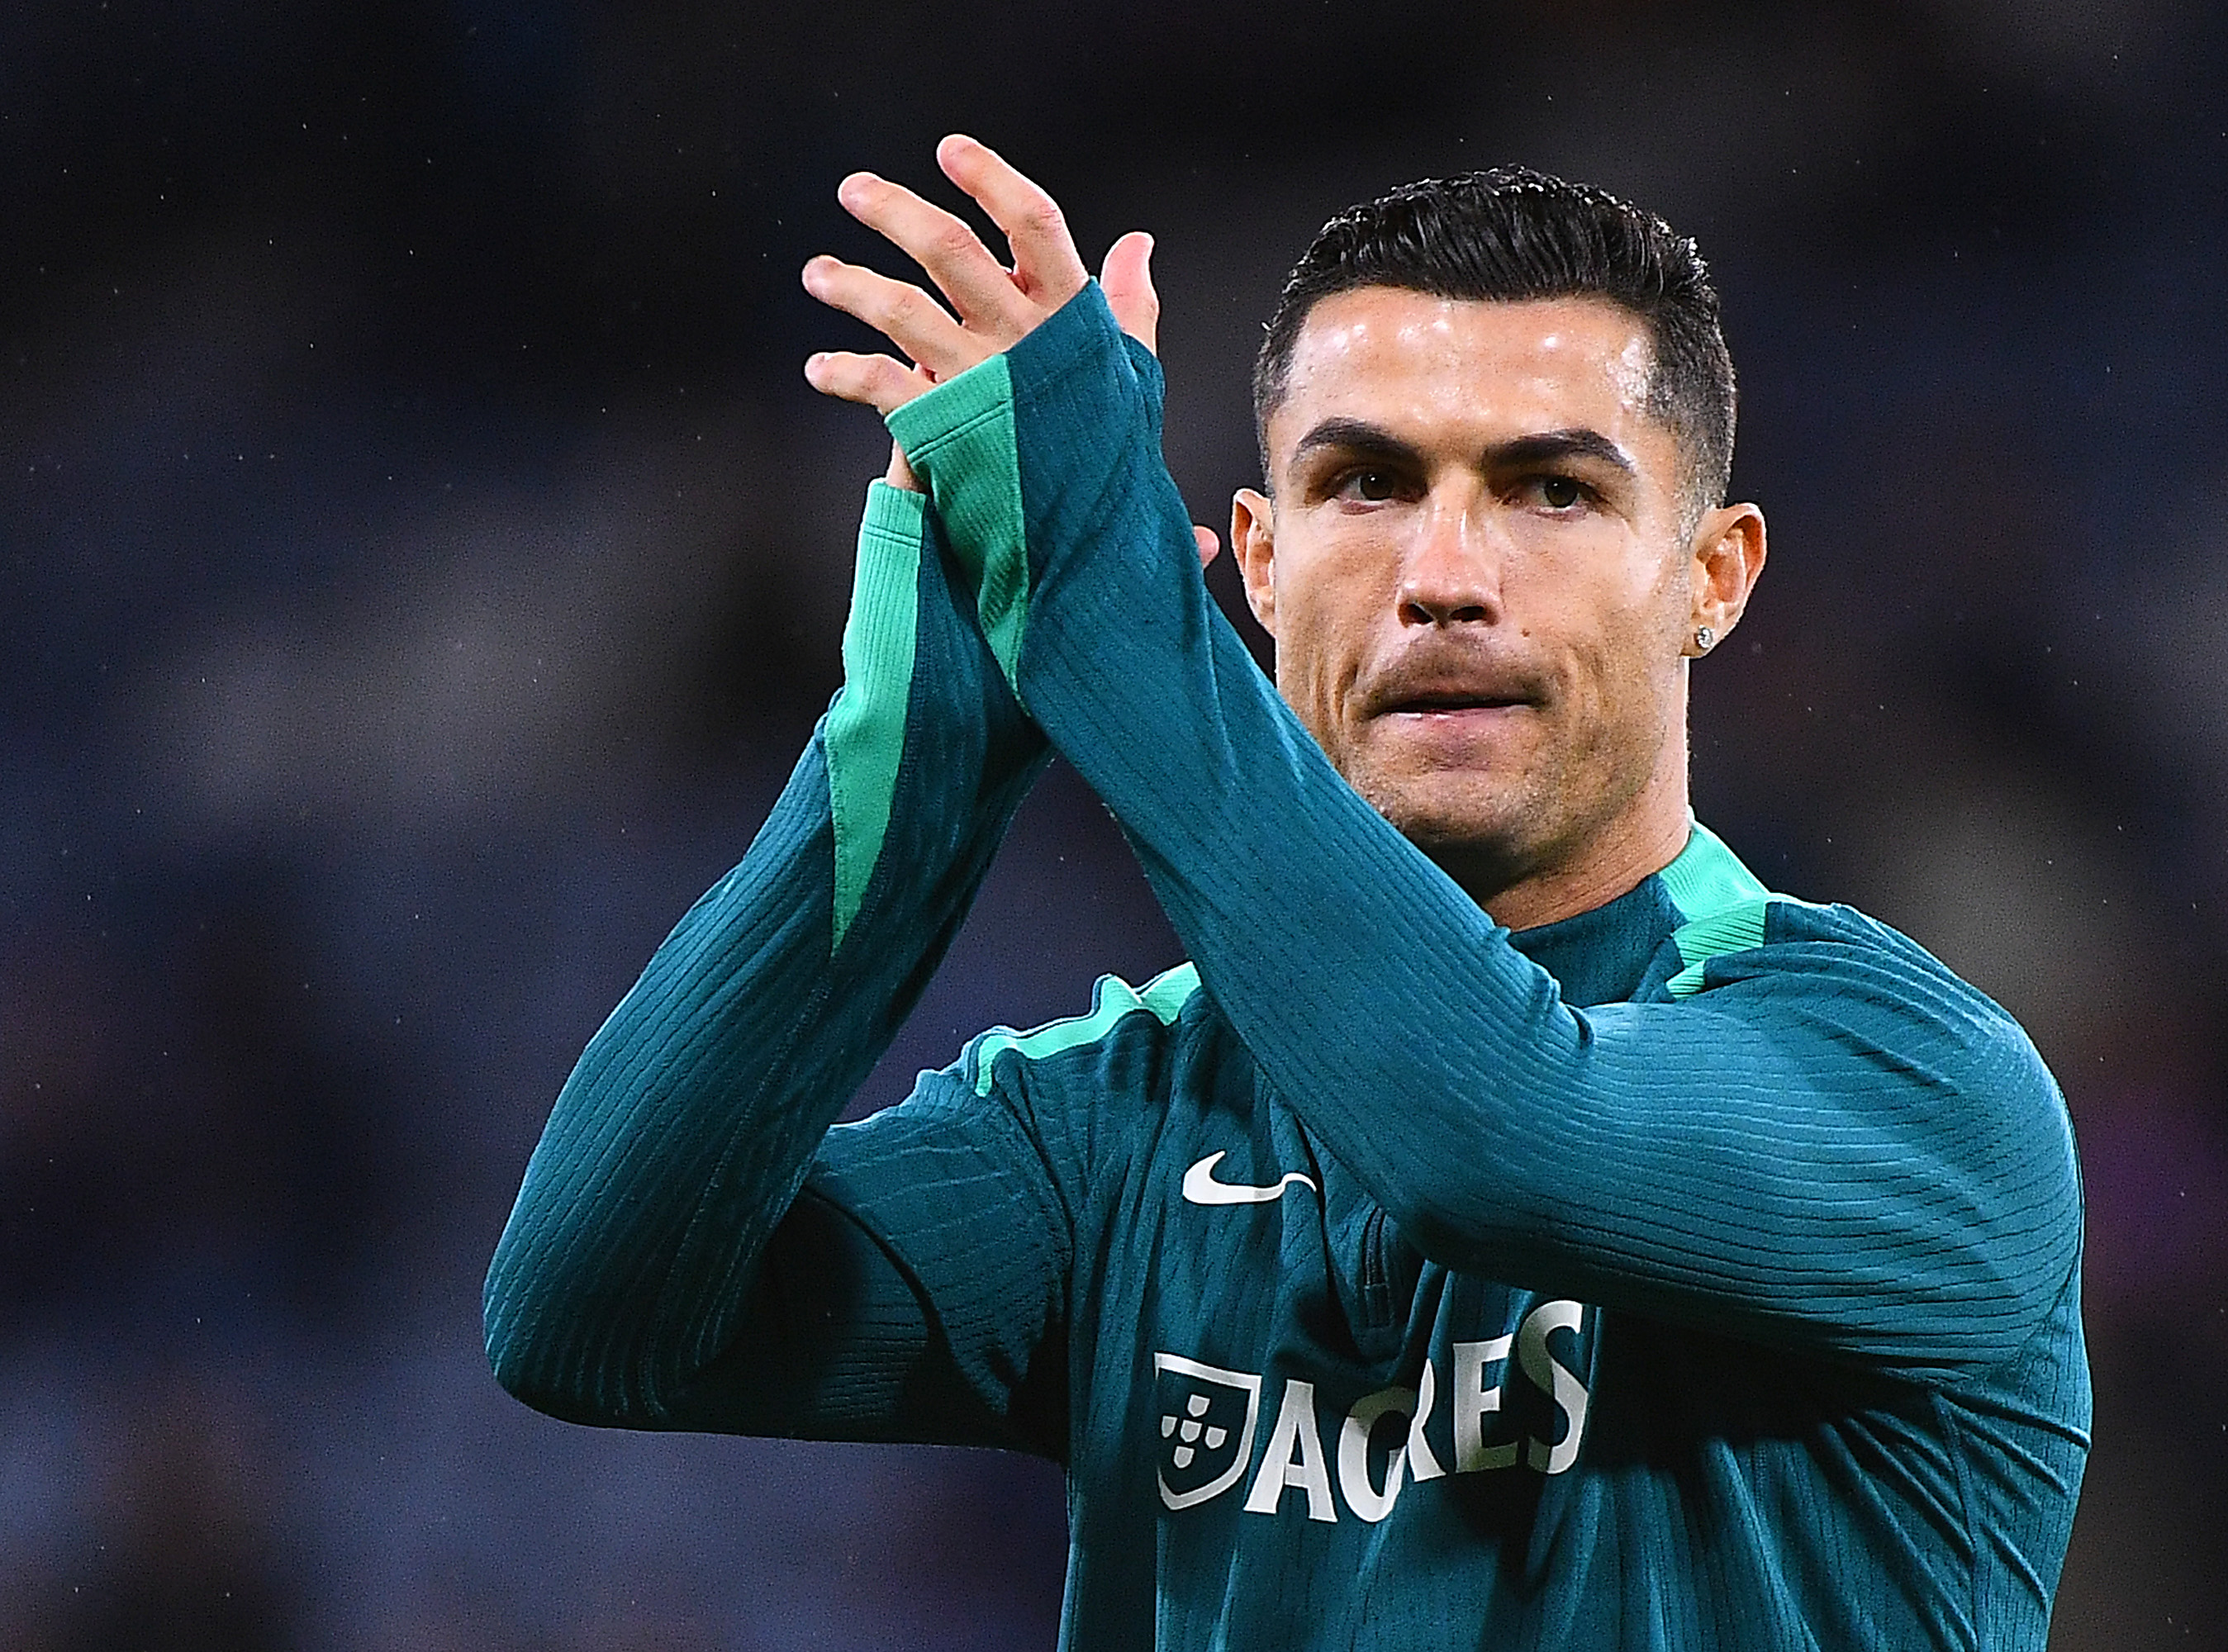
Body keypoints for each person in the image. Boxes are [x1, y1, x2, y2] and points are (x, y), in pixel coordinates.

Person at [485, 135, 2088, 1650]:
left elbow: (1492, 1135)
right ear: (1256, 562)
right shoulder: (1123, 1124)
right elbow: (589, 1315)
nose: (1446, 576)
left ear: (1712, 577)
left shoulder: (1916, 1085)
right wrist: (920, 762)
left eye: (1553, 491)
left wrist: (1102, 602)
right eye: (1366, 486)